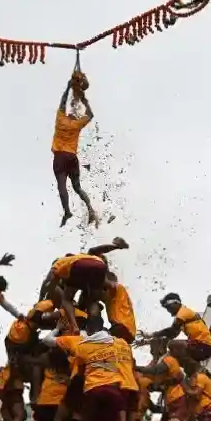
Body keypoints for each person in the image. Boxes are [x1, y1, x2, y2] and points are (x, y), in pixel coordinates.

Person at [43, 313, 135, 421]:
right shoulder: (115, 344)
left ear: (85, 328)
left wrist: (58, 329)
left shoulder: (80, 342)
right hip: (113, 388)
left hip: (85, 387)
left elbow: (48, 342)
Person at [43, 239, 129, 333]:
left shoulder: (59, 265)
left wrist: (44, 297)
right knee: (93, 299)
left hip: (78, 271)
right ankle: (95, 328)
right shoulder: (89, 256)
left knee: (66, 300)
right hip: (99, 268)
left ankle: (74, 326)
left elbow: (50, 285)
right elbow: (96, 249)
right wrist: (116, 246)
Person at [51, 75, 98, 227]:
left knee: (61, 186)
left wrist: (68, 86)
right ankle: (90, 209)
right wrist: (84, 99)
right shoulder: (77, 124)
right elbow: (90, 115)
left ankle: (67, 211)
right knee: (77, 187)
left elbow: (63, 102)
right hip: (72, 158)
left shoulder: (60, 119)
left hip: (60, 157)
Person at [144, 293, 211, 371]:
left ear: (176, 303)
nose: (168, 310)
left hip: (204, 345)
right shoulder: (183, 317)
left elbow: (171, 331)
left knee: (172, 345)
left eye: (168, 306)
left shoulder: (183, 312)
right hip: (201, 347)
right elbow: (172, 335)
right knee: (174, 355)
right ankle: (193, 372)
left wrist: (152, 334)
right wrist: (149, 341)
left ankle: (197, 370)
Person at [102, 271, 136, 344]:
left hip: (122, 327)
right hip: (126, 330)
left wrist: (99, 271)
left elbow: (111, 285)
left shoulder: (118, 288)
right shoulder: (113, 298)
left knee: (100, 339)